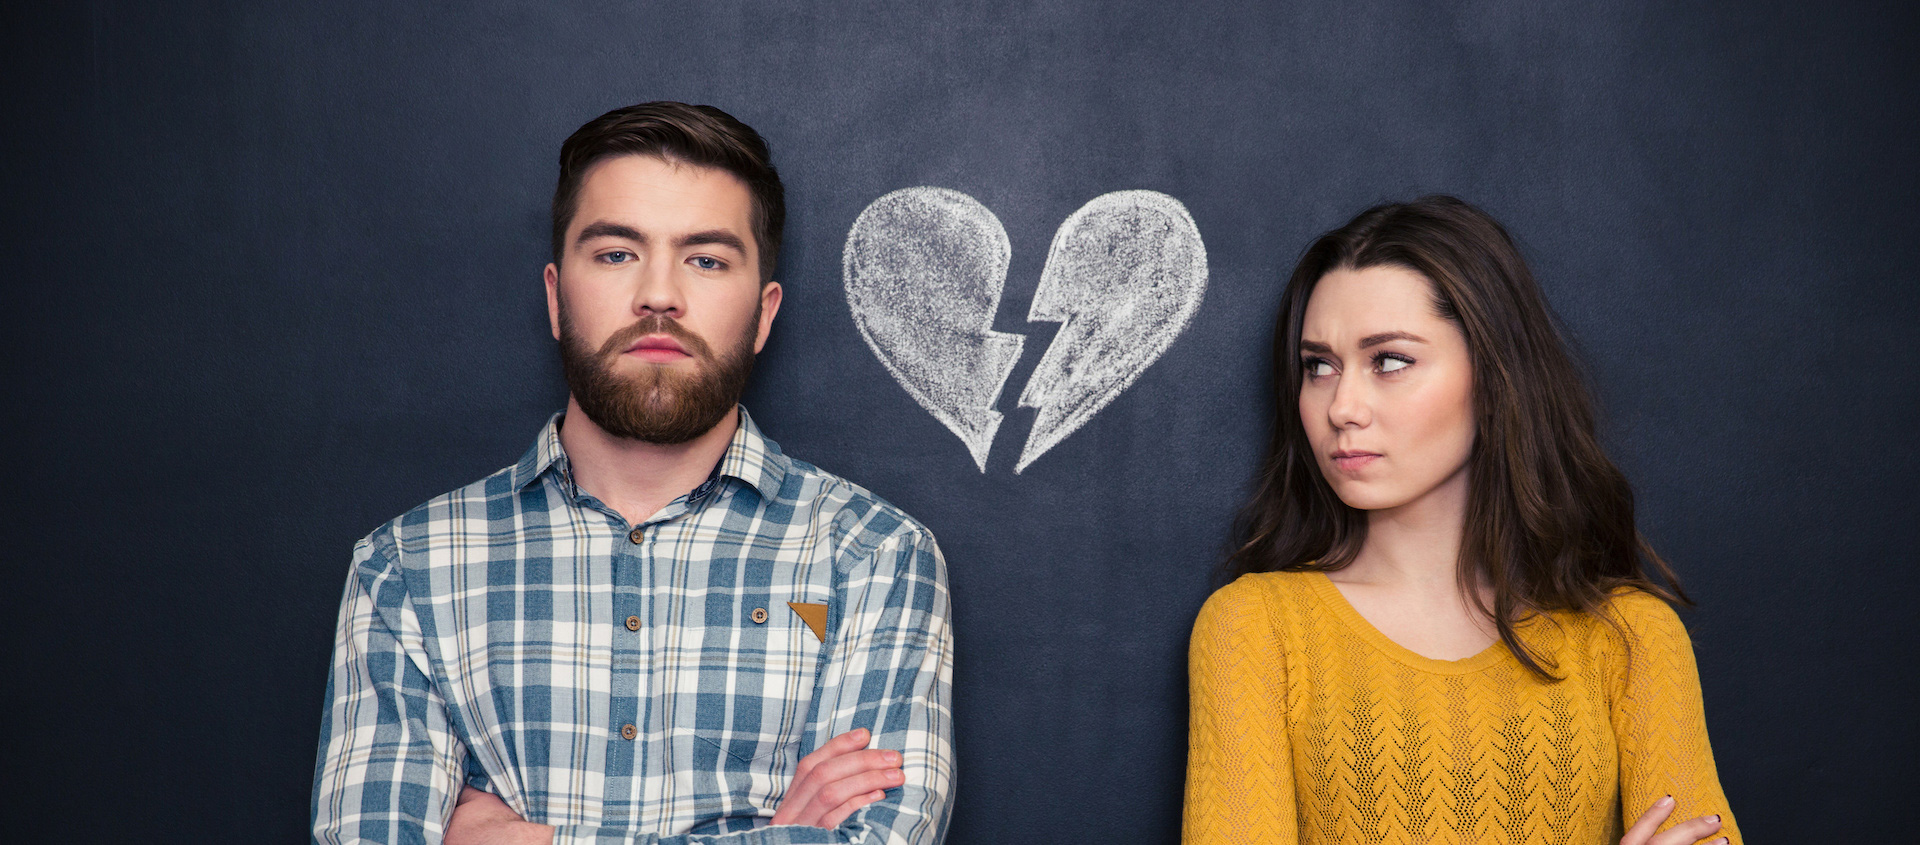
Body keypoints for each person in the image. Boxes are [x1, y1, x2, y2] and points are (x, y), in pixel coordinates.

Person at [312, 102, 954, 845]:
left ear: (764, 313)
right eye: (617, 253)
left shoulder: (872, 557)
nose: (659, 294)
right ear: (556, 296)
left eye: (706, 259)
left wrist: (531, 841)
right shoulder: (405, 569)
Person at [1185, 196, 1739, 844]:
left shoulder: (1629, 639)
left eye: (1389, 359)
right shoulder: (1257, 629)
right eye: (1319, 365)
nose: (1342, 405)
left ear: (1494, 372)